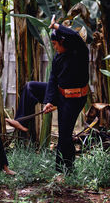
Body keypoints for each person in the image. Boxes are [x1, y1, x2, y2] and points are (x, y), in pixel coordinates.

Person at [6, 15, 89, 173]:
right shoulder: (58, 57)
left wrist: (56, 26)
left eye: (56, 44)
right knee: (31, 87)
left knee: (64, 134)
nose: (55, 48)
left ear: (63, 41)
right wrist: (49, 101)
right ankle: (21, 122)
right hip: (60, 94)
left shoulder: (80, 52)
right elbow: (52, 79)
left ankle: (64, 170)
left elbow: (75, 37)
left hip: (74, 100)